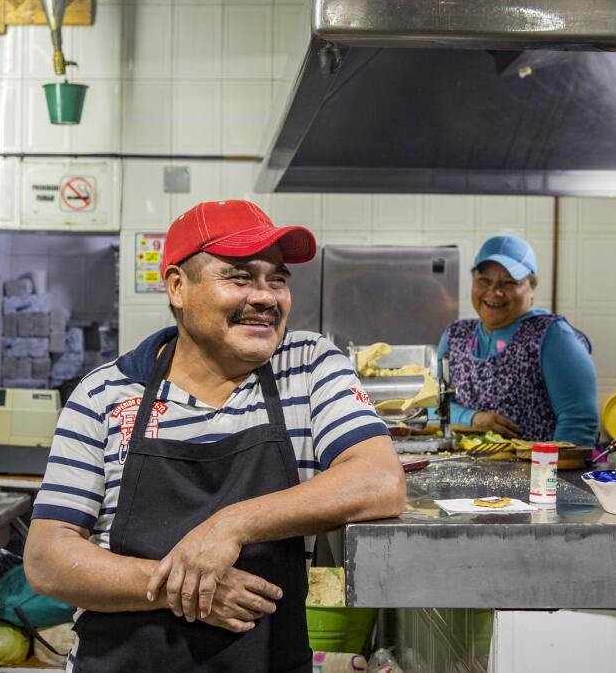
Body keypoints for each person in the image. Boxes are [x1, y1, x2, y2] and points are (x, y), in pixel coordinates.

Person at [25, 200, 405, 671]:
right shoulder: (104, 394)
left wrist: (230, 525)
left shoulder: (307, 367)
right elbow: (47, 557)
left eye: (278, 279)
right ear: (178, 287)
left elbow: (379, 482)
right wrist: (186, 588)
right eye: (240, 277)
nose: (267, 297)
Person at [438, 235, 598, 446]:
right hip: (461, 470)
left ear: (532, 286)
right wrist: (474, 419)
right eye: (484, 281)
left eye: (509, 282)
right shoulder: (455, 336)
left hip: (534, 475)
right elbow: (433, 406)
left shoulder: (552, 336)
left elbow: (578, 423)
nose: (494, 292)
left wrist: (549, 475)